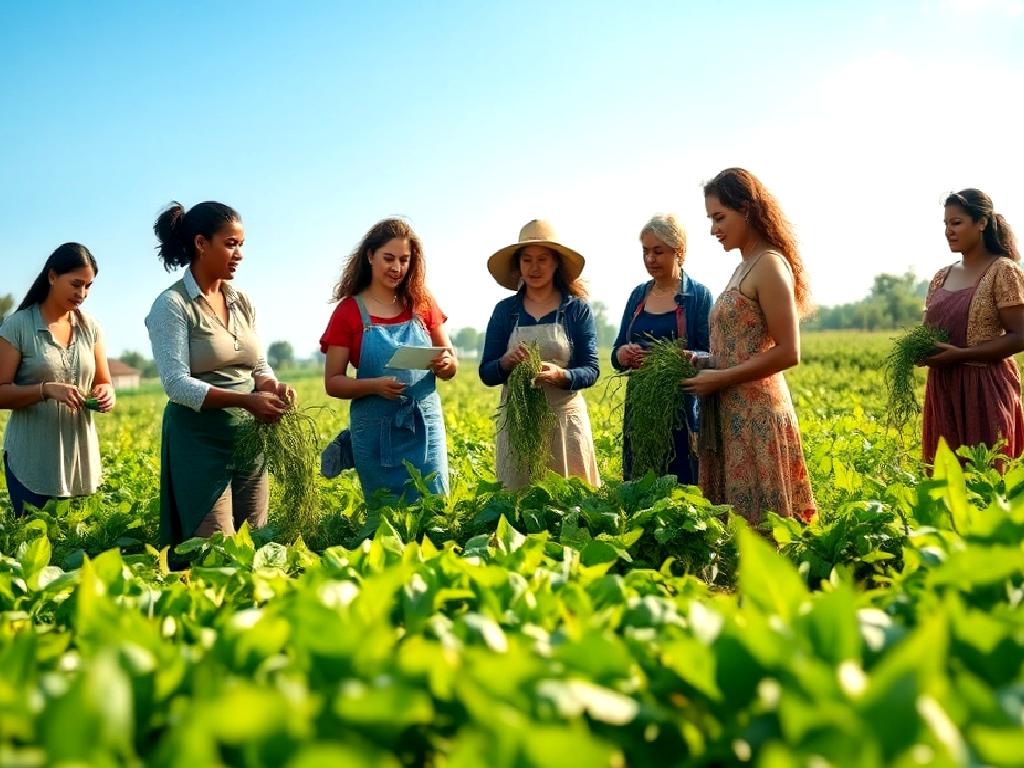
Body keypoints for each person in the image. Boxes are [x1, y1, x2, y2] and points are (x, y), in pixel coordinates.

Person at [147, 201, 295, 548]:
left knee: (254, 541)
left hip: (247, 438)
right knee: (214, 549)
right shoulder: (172, 305)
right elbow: (176, 384)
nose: (239, 254)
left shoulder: (241, 300)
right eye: (231, 244)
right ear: (201, 243)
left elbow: (257, 364)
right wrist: (246, 400)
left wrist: (272, 386)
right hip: (198, 441)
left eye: (241, 245)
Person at [683, 168, 816, 525]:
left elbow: (789, 351)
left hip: (758, 416)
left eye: (719, 217)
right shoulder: (744, 266)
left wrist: (721, 378)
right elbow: (740, 348)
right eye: (711, 219)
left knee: (768, 533)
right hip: (732, 415)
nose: (713, 229)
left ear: (747, 210)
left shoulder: (770, 265)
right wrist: (702, 360)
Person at [321, 218, 455, 503]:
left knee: (434, 506)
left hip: (425, 426)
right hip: (374, 430)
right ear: (370, 256)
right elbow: (333, 382)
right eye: (389, 258)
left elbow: (450, 361)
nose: (397, 268)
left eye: (404, 260)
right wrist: (374, 386)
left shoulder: (422, 302)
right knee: (385, 514)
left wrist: (446, 365)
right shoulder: (349, 311)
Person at [479, 219, 601, 489]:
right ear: (518, 265)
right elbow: (486, 372)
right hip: (518, 424)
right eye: (527, 260)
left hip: (565, 423)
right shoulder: (505, 311)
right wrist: (505, 363)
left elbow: (591, 369)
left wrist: (562, 375)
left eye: (542, 259)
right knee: (519, 506)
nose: (534, 268)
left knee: (570, 505)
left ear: (556, 263)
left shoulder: (576, 310)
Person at [0, 243, 114, 516]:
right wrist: (46, 390)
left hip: (80, 462)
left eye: (88, 286)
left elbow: (104, 381)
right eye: (76, 284)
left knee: (78, 553)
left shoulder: (91, 327)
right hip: (32, 462)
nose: (82, 293)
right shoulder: (18, 326)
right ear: (52, 276)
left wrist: (107, 392)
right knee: (38, 547)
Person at [921, 188, 1024, 467]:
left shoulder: (1002, 271)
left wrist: (962, 354)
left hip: (985, 388)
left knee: (986, 478)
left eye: (956, 223)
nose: (948, 231)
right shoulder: (941, 277)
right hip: (943, 388)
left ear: (982, 223)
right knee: (945, 483)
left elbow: (1020, 336)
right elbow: (926, 334)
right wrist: (919, 351)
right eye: (945, 224)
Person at [612, 214, 712, 484]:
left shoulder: (698, 296)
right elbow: (616, 351)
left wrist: (690, 358)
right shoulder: (637, 295)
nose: (650, 259)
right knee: (642, 480)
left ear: (678, 252)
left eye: (658, 252)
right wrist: (623, 354)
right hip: (640, 406)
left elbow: (712, 353)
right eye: (645, 251)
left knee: (682, 480)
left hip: (681, 408)